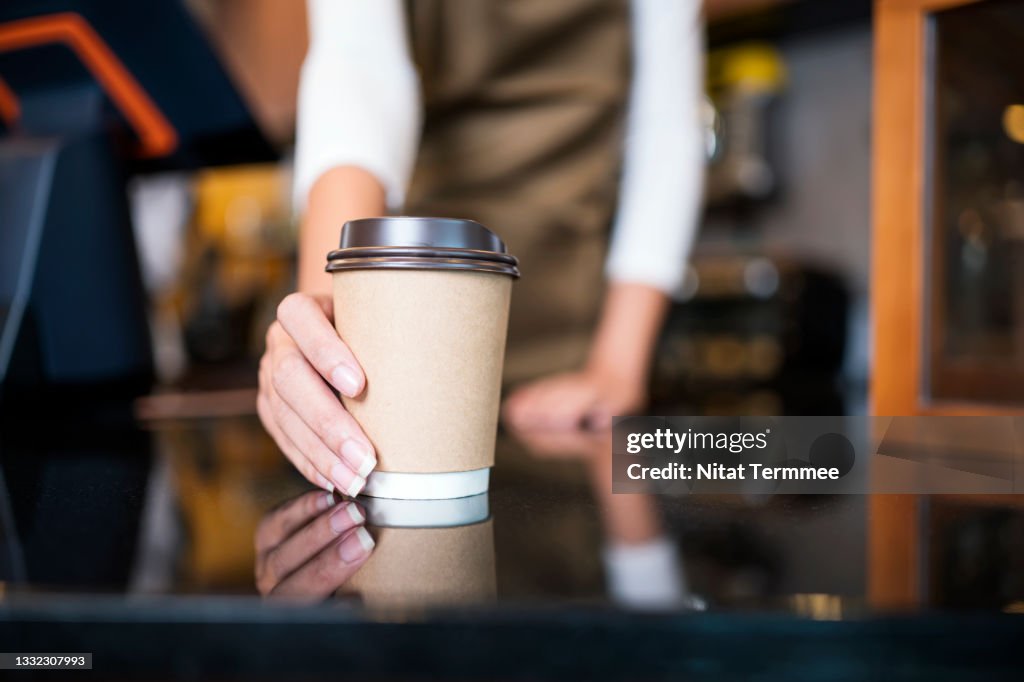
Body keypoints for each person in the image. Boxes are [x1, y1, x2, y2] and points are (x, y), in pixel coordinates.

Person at [258, 0, 704, 495]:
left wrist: (617, 367)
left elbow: (664, 126)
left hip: (569, 354)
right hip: (402, 345)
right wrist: (326, 331)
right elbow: (358, 68)